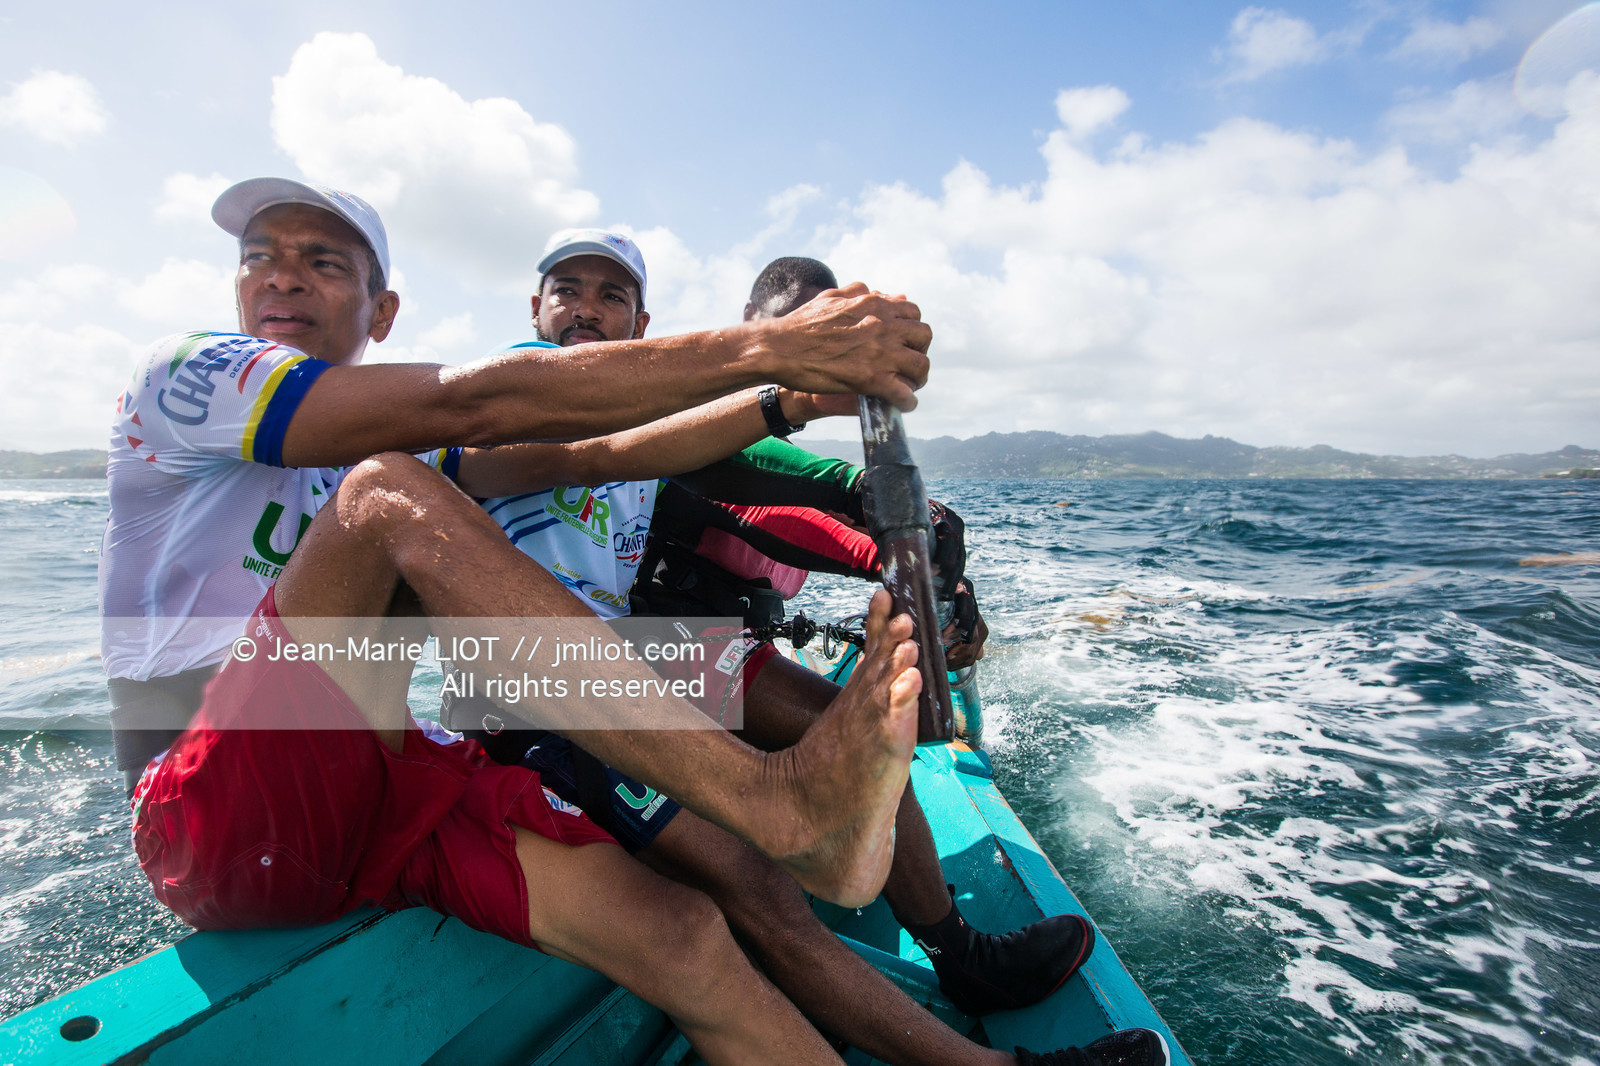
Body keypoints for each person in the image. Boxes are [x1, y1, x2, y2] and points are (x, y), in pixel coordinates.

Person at [104, 177, 940, 1064]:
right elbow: (480, 402)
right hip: (208, 807)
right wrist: (774, 345)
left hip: (382, 775)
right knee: (384, 494)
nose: (284, 280)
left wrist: (784, 398)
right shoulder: (182, 377)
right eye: (260, 259)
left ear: (381, 312)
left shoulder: (414, 434)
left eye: (323, 262)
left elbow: (598, 452)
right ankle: (779, 805)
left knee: (682, 933)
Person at [440, 232, 1168, 1066]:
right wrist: (811, 438)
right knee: (754, 887)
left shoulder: (653, 416)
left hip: (647, 652)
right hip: (536, 685)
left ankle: (957, 952)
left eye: (612, 297)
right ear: (534, 310)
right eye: (567, 290)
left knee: (855, 739)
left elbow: (743, 471)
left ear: (643, 323)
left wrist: (887, 532)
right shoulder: (511, 388)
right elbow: (731, 500)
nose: (586, 310)